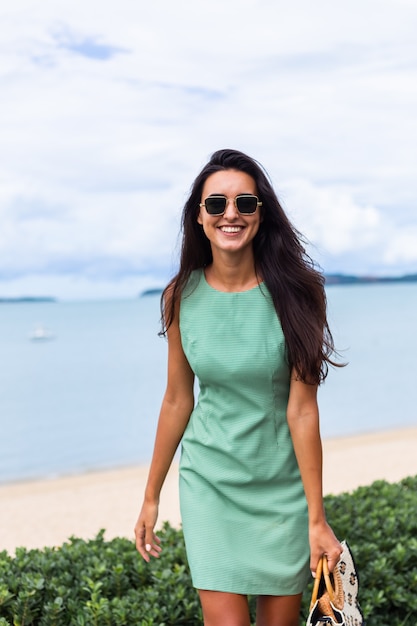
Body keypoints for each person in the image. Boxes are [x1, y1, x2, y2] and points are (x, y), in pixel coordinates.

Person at [134, 148, 343, 626]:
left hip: (280, 490)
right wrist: (151, 495)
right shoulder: (179, 296)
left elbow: (302, 410)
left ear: (260, 215)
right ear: (200, 218)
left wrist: (317, 518)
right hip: (209, 483)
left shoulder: (298, 294)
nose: (231, 214)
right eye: (216, 204)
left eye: (244, 203)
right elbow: (177, 398)